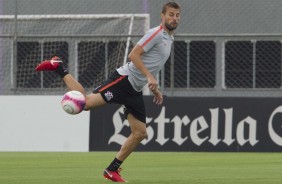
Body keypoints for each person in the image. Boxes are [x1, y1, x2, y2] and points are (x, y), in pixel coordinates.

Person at [35, 1, 180, 182]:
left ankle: (112, 170)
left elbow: (153, 64)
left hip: (134, 89)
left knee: (140, 133)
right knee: (84, 104)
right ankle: (58, 68)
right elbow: (133, 55)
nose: (174, 18)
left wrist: (154, 87)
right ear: (162, 16)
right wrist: (150, 77)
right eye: (171, 14)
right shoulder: (156, 34)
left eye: (177, 15)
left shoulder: (169, 38)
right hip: (123, 81)